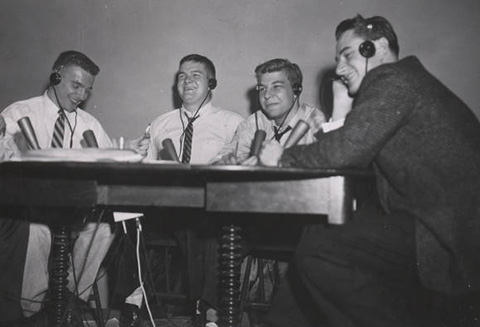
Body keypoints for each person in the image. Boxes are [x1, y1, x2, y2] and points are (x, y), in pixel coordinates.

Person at [257, 15, 480, 327]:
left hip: (450, 234)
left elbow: (344, 151)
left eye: (347, 54)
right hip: (438, 221)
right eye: (338, 59)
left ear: (378, 47)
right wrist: (342, 109)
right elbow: (353, 154)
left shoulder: (393, 80)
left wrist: (282, 157)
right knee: (317, 237)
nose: (338, 68)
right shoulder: (401, 82)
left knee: (320, 249)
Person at [0, 50, 149, 326]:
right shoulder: (19, 113)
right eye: (76, 85)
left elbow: (107, 160)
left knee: (105, 228)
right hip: (27, 211)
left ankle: (69, 300)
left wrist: (127, 151)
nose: (81, 96)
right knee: (37, 229)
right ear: (56, 76)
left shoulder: (88, 124)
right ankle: (33, 312)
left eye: (87, 90)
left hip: (72, 211)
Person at [126, 54, 242, 327]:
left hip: (208, 208)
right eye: (181, 76)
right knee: (124, 218)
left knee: (206, 223)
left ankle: (210, 310)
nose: (187, 81)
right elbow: (146, 172)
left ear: (211, 83)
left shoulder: (233, 123)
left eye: (196, 75)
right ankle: (130, 302)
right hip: (164, 208)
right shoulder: (159, 124)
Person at [213, 58, 326, 165]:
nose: (266, 95)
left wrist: (284, 160)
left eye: (276, 86)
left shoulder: (316, 121)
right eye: (262, 88)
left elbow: (330, 163)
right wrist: (228, 162)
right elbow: (219, 159)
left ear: (296, 90)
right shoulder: (256, 121)